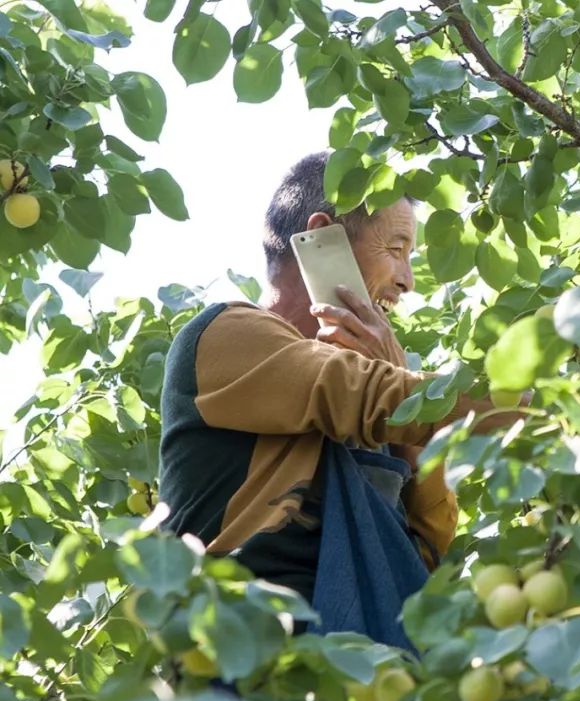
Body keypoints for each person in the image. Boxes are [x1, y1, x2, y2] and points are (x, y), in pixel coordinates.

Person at [157, 152, 500, 608]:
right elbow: (370, 394)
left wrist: (410, 446)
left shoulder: (377, 416)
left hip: (372, 659)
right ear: (322, 238)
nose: (407, 281)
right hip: (254, 641)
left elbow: (427, 555)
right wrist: (559, 410)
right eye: (396, 250)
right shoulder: (224, 333)